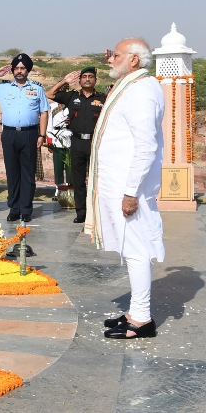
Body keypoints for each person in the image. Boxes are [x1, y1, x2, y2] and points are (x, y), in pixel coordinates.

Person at [86, 38, 165, 339]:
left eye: (115, 55)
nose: (109, 59)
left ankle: (141, 319)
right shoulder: (132, 85)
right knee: (132, 248)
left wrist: (131, 192)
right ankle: (135, 312)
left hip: (130, 187)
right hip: (123, 184)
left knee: (136, 250)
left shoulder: (142, 90)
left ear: (133, 60)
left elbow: (146, 146)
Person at [0, 54, 49, 222]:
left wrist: (42, 134)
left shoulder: (37, 88)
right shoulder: (3, 87)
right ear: (13, 70)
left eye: (22, 68)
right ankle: (14, 208)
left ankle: (26, 209)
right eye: (16, 68)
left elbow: (44, 112)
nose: (19, 71)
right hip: (9, 134)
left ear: (28, 70)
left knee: (28, 173)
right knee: (12, 172)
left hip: (30, 133)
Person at [46, 67, 107, 223]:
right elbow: (49, 94)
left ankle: (96, 211)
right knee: (78, 180)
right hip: (77, 143)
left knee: (96, 179)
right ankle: (81, 213)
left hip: (95, 143)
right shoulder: (72, 97)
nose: (87, 79)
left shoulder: (103, 98)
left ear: (95, 80)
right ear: (79, 80)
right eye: (84, 77)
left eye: (90, 77)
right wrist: (64, 81)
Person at [44, 102, 71, 201]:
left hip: (69, 136)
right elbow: (49, 125)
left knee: (69, 167)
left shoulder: (71, 104)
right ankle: (58, 190)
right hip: (56, 137)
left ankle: (70, 188)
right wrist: (49, 142)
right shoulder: (53, 106)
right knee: (58, 166)